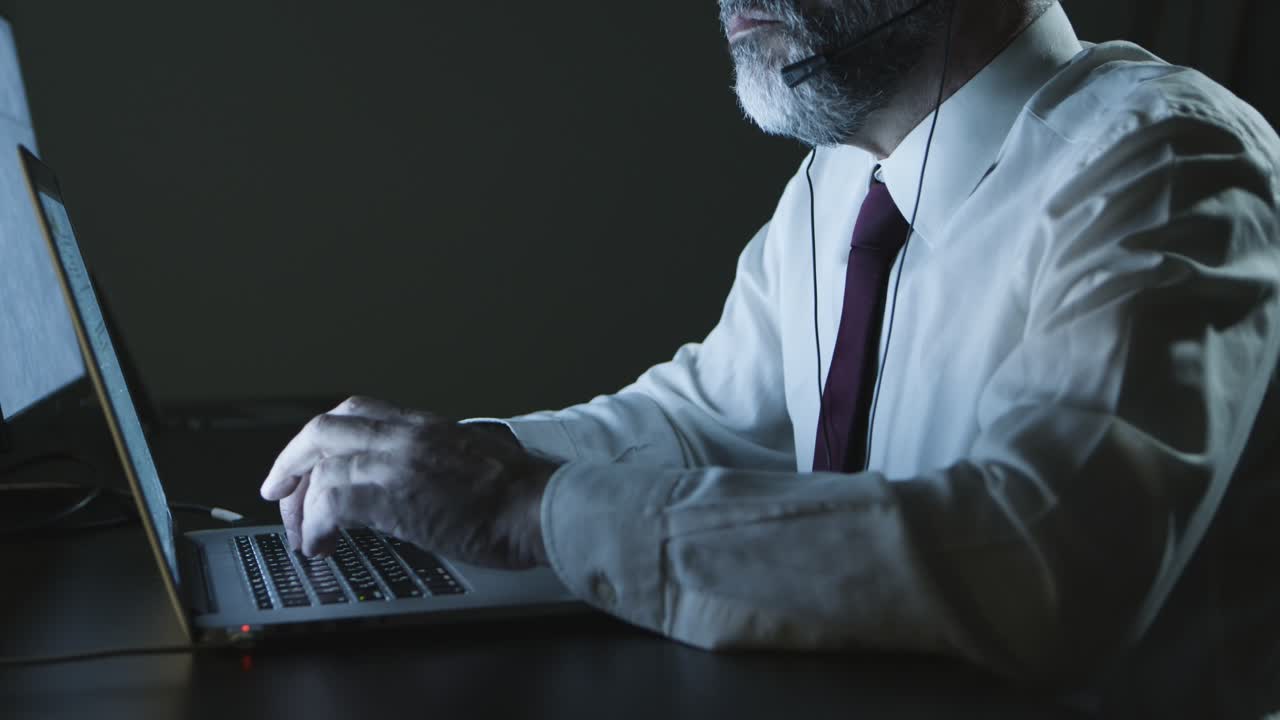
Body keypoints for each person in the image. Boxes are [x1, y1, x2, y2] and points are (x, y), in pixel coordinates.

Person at [259, 0, 1280, 704]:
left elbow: (1038, 558)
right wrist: (434, 472)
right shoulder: (838, 183)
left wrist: (526, 509)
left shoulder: (1163, 163)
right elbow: (700, 422)